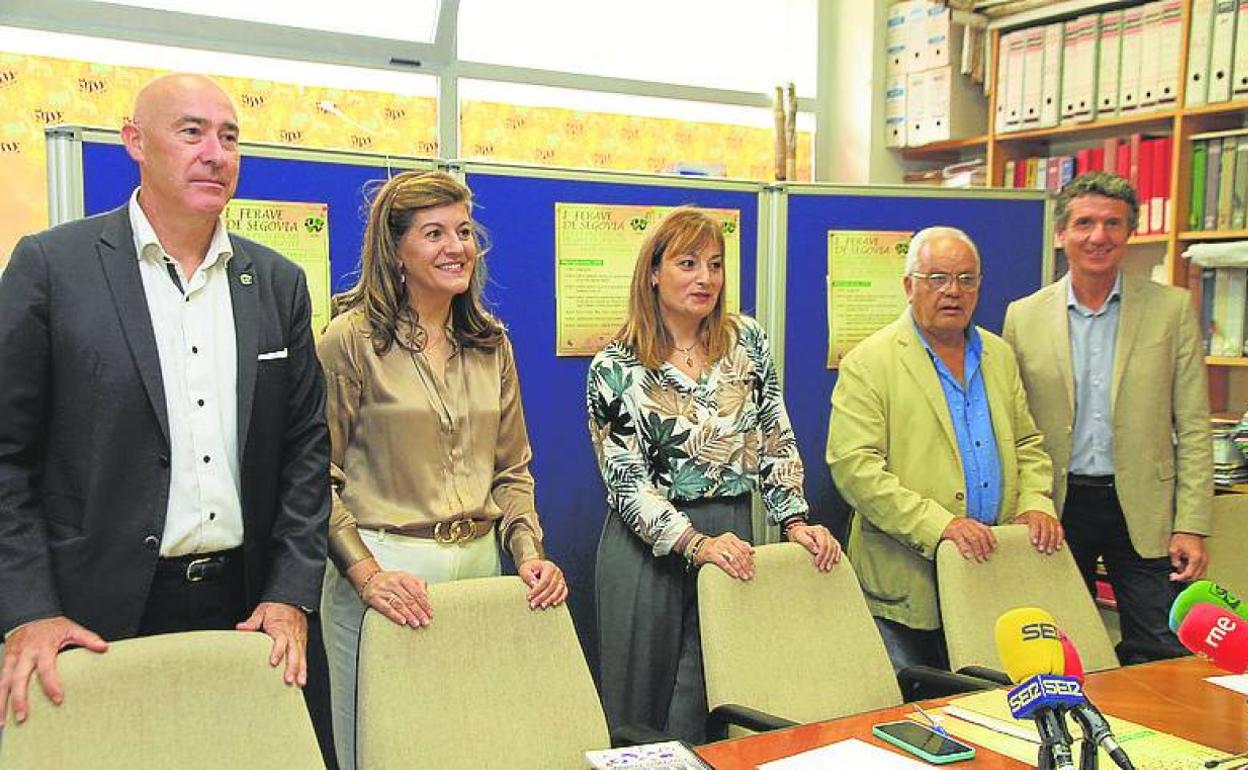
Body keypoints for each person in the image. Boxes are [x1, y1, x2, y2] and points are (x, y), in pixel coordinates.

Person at [0, 73, 330, 724]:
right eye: (191, 132)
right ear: (134, 142)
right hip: (93, 616)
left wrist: (292, 591)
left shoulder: (275, 283)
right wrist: (28, 608)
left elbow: (305, 451)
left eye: (230, 136)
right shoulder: (51, 267)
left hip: (248, 614)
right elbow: (6, 456)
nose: (216, 152)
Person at [317, 169, 567, 769]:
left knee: (468, 746)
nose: (456, 247)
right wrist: (367, 575)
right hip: (385, 578)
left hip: (480, 570)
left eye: (463, 231)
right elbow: (314, 478)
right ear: (395, 250)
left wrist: (529, 554)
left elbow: (512, 471)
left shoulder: (490, 344)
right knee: (383, 753)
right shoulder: (349, 341)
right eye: (434, 233)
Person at [587, 207, 840, 743]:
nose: (706, 278)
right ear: (652, 272)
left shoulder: (747, 342)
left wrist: (794, 519)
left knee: (714, 696)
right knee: (641, 714)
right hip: (646, 549)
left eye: (715, 264)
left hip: (732, 529)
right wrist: (694, 543)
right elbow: (626, 479)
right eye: (687, 263)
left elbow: (774, 433)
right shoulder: (615, 366)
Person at [827, 226, 1061, 673]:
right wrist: (942, 525)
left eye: (966, 279)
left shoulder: (999, 355)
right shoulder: (869, 362)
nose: (952, 291)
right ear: (908, 286)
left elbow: (1029, 443)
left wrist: (1035, 502)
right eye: (936, 278)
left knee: (989, 705)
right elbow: (854, 468)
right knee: (916, 716)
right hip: (907, 584)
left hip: (991, 570)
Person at [1003, 172, 1212, 663]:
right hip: (1057, 506)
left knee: (1161, 646)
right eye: (1085, 223)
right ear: (1061, 234)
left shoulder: (1171, 310)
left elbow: (1195, 425)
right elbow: (1012, 426)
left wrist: (1192, 524)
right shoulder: (1023, 316)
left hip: (1142, 505)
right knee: (1058, 646)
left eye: (1112, 223)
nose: (1099, 236)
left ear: (1129, 232)